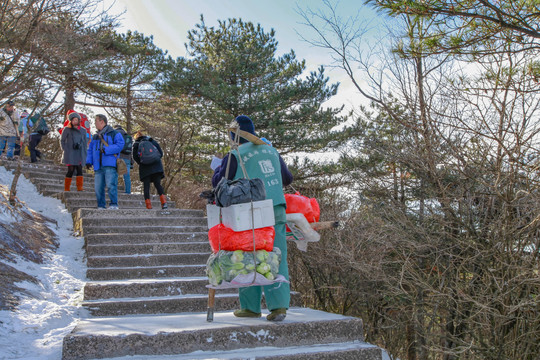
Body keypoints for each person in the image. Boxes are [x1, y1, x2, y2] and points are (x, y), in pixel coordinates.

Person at [211, 115, 293, 322]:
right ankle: (279, 307)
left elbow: (221, 181)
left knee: (247, 256)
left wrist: (218, 166)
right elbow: (287, 178)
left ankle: (250, 307)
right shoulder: (271, 150)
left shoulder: (235, 153)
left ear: (233, 136)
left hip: (249, 212)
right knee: (277, 254)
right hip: (276, 207)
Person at [86, 114, 124, 209]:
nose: (95, 124)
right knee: (98, 188)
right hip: (98, 165)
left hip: (110, 164)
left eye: (96, 121)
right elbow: (90, 150)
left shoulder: (114, 133)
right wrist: (88, 161)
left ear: (102, 121)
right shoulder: (95, 136)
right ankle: (101, 205)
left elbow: (120, 145)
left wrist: (107, 150)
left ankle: (114, 204)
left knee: (111, 185)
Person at [132, 131, 168, 209]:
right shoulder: (152, 141)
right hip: (156, 166)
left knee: (146, 186)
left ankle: (148, 205)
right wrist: (155, 159)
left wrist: (142, 162)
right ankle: (164, 203)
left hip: (145, 167)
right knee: (158, 184)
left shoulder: (136, 144)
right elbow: (161, 153)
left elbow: (135, 157)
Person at [61, 112, 88, 191]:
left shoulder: (83, 130)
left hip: (79, 153)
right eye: (73, 120)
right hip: (70, 153)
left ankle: (80, 187)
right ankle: (67, 188)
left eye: (76, 120)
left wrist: (84, 152)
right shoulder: (67, 129)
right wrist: (65, 149)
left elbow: (85, 142)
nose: (75, 121)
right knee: (71, 170)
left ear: (79, 120)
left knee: (79, 169)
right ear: (71, 121)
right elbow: (62, 140)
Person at [113, 125, 133, 194]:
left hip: (118, 156)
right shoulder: (127, 136)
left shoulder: (115, 134)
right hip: (127, 157)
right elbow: (130, 150)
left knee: (115, 174)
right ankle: (128, 191)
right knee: (126, 176)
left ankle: (114, 190)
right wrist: (131, 162)